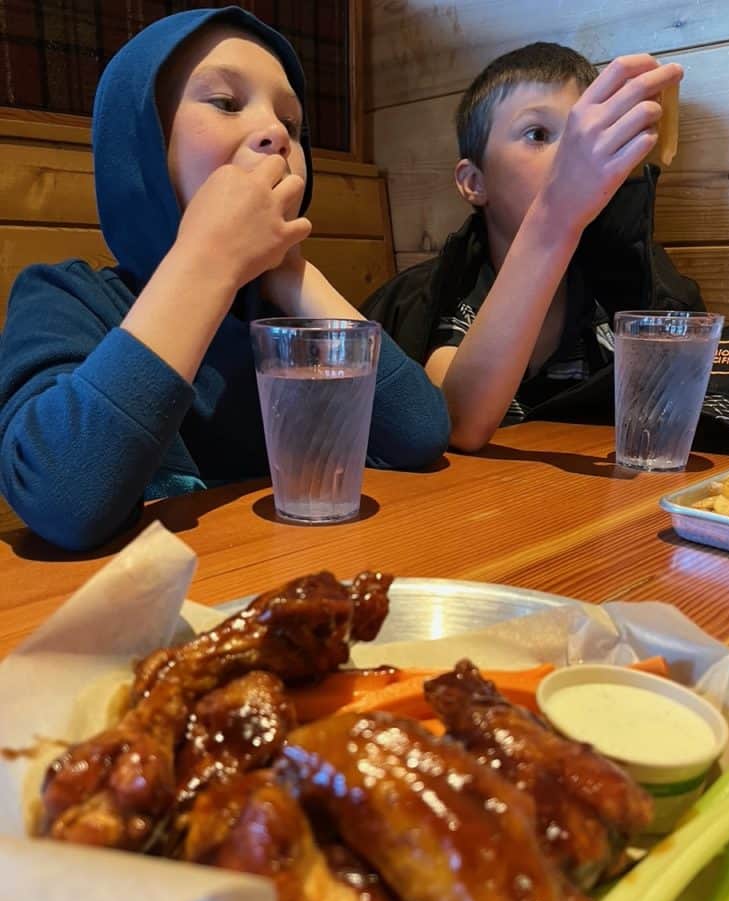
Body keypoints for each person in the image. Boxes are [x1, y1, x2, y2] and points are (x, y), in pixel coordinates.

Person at [0, 7, 450, 550]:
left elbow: (420, 436)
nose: (274, 135)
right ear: (141, 147)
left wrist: (292, 273)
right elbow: (64, 499)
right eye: (227, 103)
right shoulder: (66, 299)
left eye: (292, 125)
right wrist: (208, 258)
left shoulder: (285, 320)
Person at [362, 43, 707, 452]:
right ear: (474, 182)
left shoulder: (627, 284)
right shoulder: (446, 297)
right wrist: (556, 212)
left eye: (581, 135)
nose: (572, 154)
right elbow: (457, 422)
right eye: (538, 135)